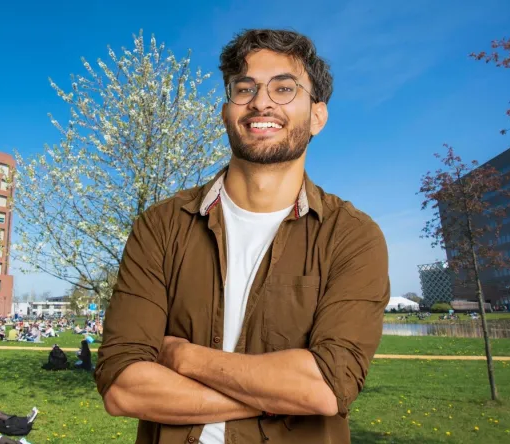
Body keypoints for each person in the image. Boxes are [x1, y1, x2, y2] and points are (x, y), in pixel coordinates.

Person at [94, 29, 390, 444]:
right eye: (244, 88)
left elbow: (326, 385)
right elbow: (124, 386)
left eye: (284, 88)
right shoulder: (160, 226)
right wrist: (280, 394)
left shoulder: (353, 237)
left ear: (318, 116)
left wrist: (183, 356)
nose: (261, 102)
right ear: (225, 112)